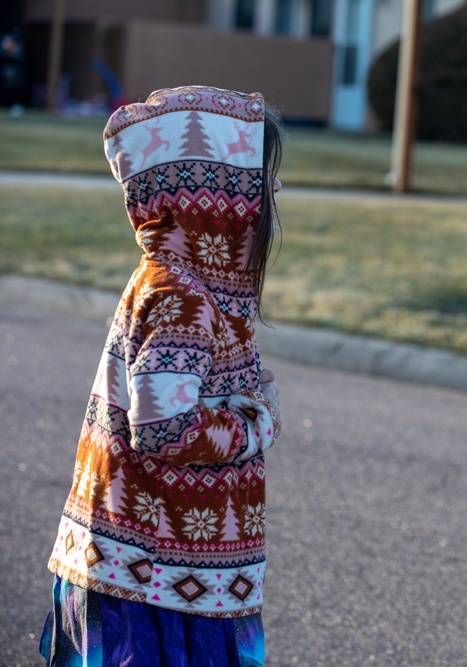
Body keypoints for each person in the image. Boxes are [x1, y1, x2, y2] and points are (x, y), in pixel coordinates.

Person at [40, 85, 285, 666]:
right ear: (217, 201)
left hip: (159, 571)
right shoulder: (183, 298)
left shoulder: (181, 287)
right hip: (156, 588)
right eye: (262, 177)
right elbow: (165, 429)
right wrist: (257, 420)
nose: (276, 190)